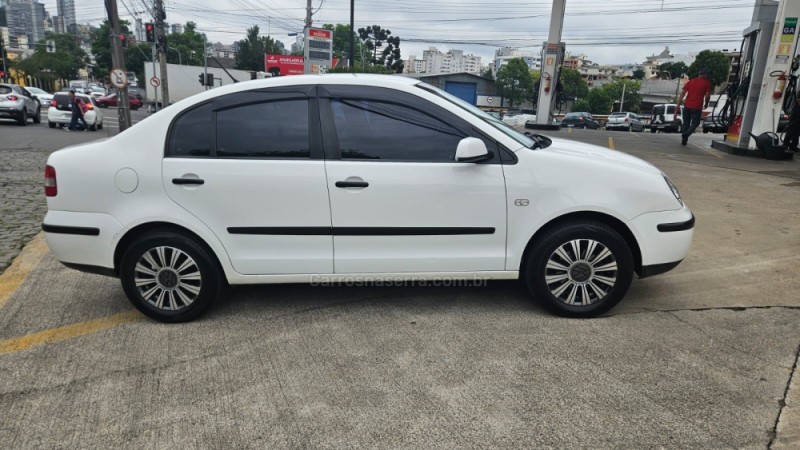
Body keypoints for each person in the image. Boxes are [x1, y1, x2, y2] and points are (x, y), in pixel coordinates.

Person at [676, 68, 712, 146]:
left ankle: (684, 140)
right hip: (697, 106)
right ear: (704, 74)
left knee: (686, 123)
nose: (708, 76)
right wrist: (707, 103)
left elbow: (682, 93)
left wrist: (678, 105)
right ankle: (686, 134)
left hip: (687, 105)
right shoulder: (707, 83)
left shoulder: (691, 81)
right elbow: (707, 95)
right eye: (707, 74)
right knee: (695, 123)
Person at [783, 87, 800, 152]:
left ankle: (793, 145)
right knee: (791, 128)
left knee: (797, 131)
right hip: (797, 113)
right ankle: (785, 144)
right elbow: (798, 102)